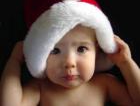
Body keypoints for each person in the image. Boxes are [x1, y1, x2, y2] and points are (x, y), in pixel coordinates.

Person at [1, 24, 140, 106]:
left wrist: (125, 63)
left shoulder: (104, 84)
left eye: (81, 49)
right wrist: (15, 61)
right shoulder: (41, 87)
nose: (69, 63)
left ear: (97, 51)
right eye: (55, 51)